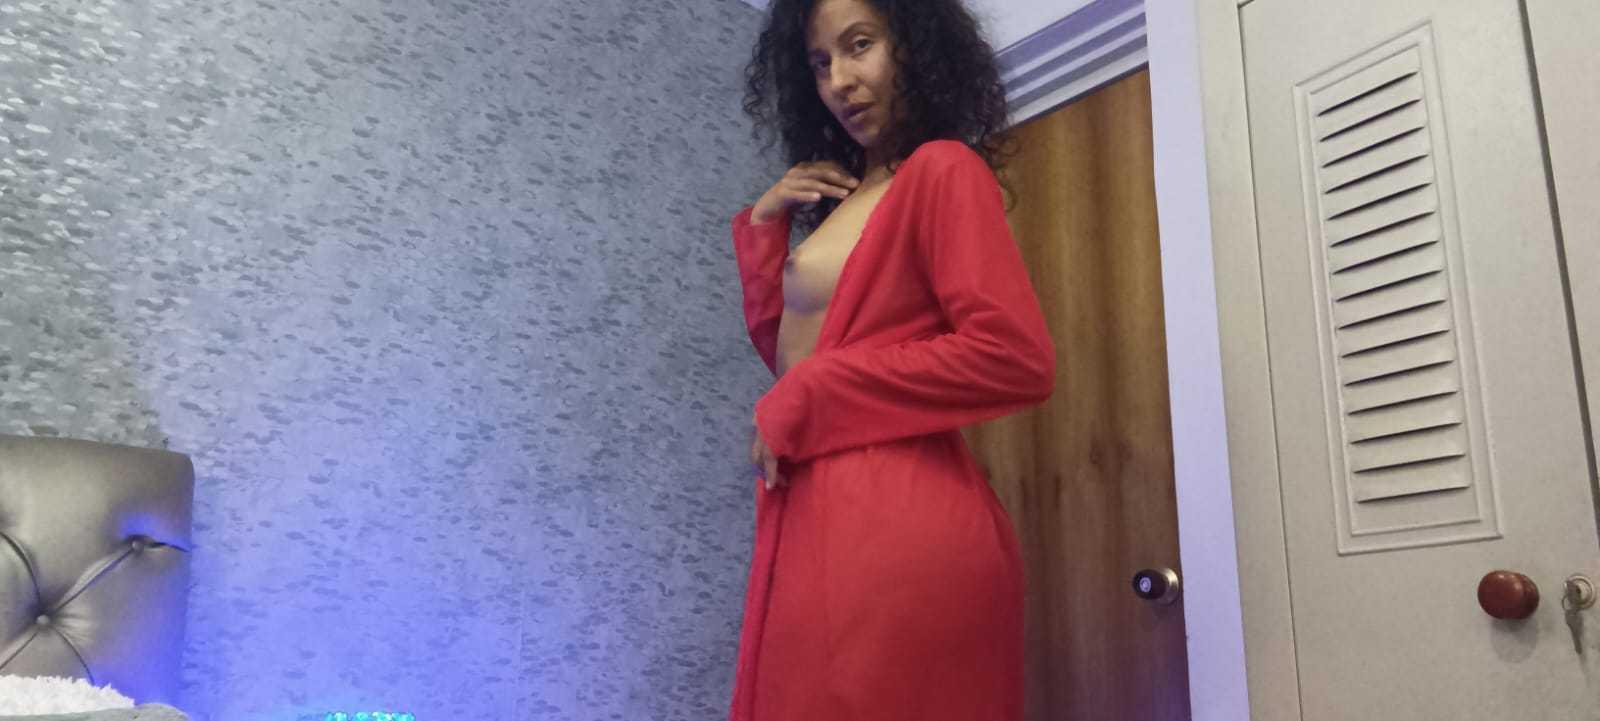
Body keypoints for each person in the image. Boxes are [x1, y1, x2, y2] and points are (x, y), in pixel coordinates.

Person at [728, 0, 1056, 718]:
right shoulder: (852, 197)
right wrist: (764, 228)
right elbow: (796, 361)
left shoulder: (942, 169)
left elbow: (1014, 356)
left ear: (913, 44)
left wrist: (816, 388)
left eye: (859, 45)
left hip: (895, 518)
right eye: (820, 63)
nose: (840, 81)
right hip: (820, 506)